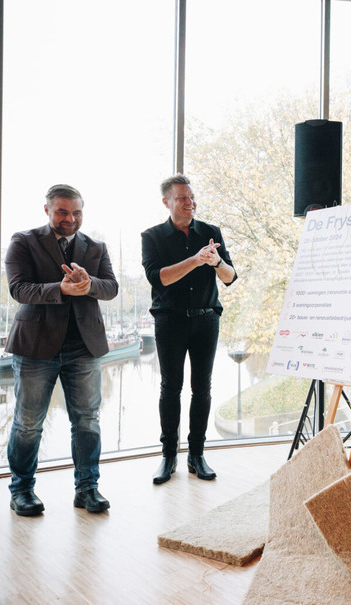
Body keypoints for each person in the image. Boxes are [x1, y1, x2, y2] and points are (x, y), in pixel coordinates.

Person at [6, 184, 119, 516]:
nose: (70, 219)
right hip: (35, 347)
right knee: (28, 423)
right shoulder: (23, 241)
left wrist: (89, 284)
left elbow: (111, 287)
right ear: (47, 210)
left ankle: (87, 489)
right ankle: (21, 491)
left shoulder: (96, 247)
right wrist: (62, 289)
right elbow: (19, 289)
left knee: (87, 421)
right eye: (62, 212)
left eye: (77, 212)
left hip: (83, 346)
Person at [141, 174, 236, 484]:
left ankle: (197, 455)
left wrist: (216, 262)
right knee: (171, 388)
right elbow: (159, 278)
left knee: (202, 388)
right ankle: (168, 456)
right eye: (182, 197)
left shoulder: (211, 232)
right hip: (170, 321)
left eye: (192, 197)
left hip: (206, 320)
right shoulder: (152, 236)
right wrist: (195, 260)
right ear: (166, 202)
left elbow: (230, 277)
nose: (190, 202)